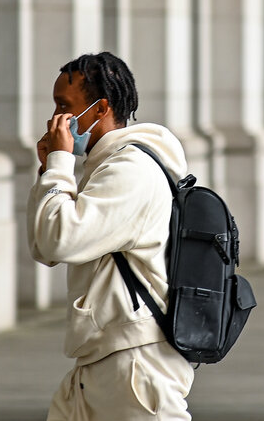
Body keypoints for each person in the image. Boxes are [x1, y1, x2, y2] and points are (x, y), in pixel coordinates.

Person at [28, 52, 195, 420]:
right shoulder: (105, 165)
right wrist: (49, 171)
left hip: (134, 363)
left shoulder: (130, 170)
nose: (56, 118)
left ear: (100, 107)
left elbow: (61, 240)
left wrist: (60, 165)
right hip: (104, 360)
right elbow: (45, 247)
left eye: (64, 106)